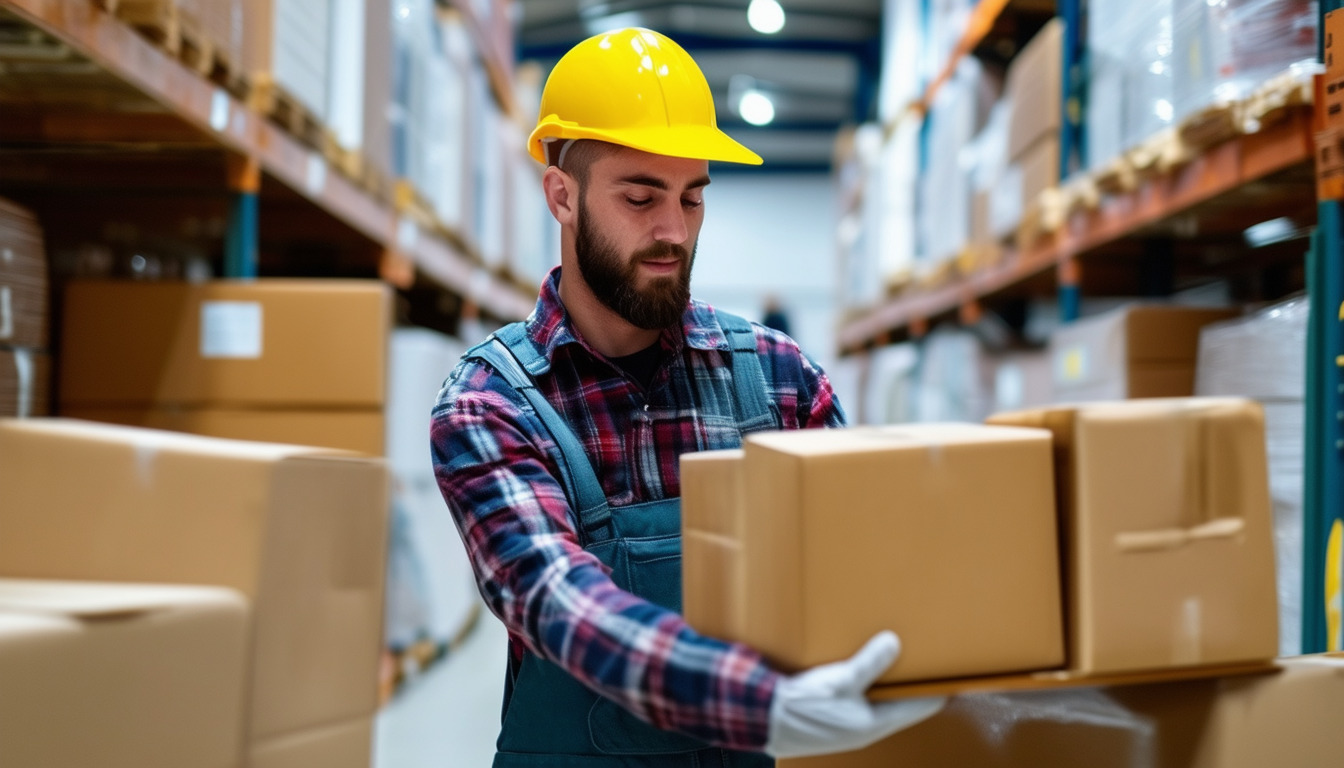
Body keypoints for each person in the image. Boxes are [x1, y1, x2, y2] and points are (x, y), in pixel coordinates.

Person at [431, 28, 944, 767]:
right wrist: (762, 707)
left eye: (692, 198)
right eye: (640, 197)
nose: (673, 230)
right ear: (561, 196)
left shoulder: (779, 377)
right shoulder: (488, 404)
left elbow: (865, 558)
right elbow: (559, 603)